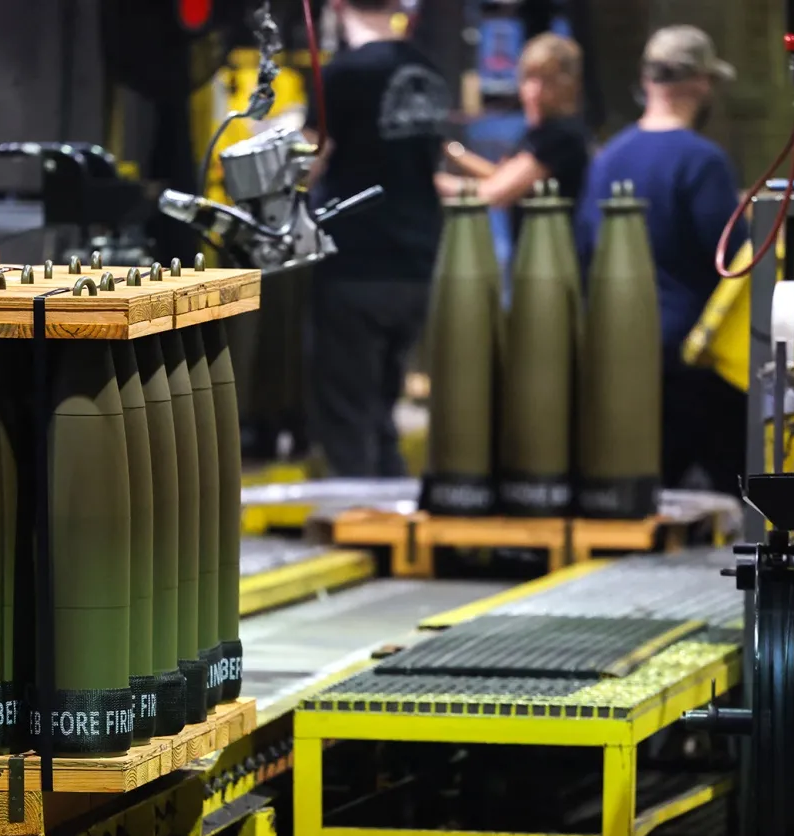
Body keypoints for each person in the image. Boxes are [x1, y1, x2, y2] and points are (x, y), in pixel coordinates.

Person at [576, 25, 748, 497]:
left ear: (647, 81)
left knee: (643, 494)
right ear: (699, 83)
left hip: (624, 353)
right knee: (744, 490)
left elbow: (586, 250)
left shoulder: (608, 159)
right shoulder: (702, 161)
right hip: (694, 358)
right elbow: (734, 258)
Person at [302, 0, 451, 478]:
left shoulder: (342, 75)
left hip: (356, 262)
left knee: (348, 414)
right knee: (384, 409)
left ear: (338, 7)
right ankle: (391, 523)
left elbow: (308, 163)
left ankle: (360, 522)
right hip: (419, 261)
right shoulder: (427, 71)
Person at [437, 32, 590, 218]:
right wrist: (449, 149)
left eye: (547, 80)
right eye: (529, 77)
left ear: (569, 85)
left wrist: (420, 180)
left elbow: (493, 193)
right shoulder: (541, 133)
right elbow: (501, 175)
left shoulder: (561, 137)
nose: (534, 91)